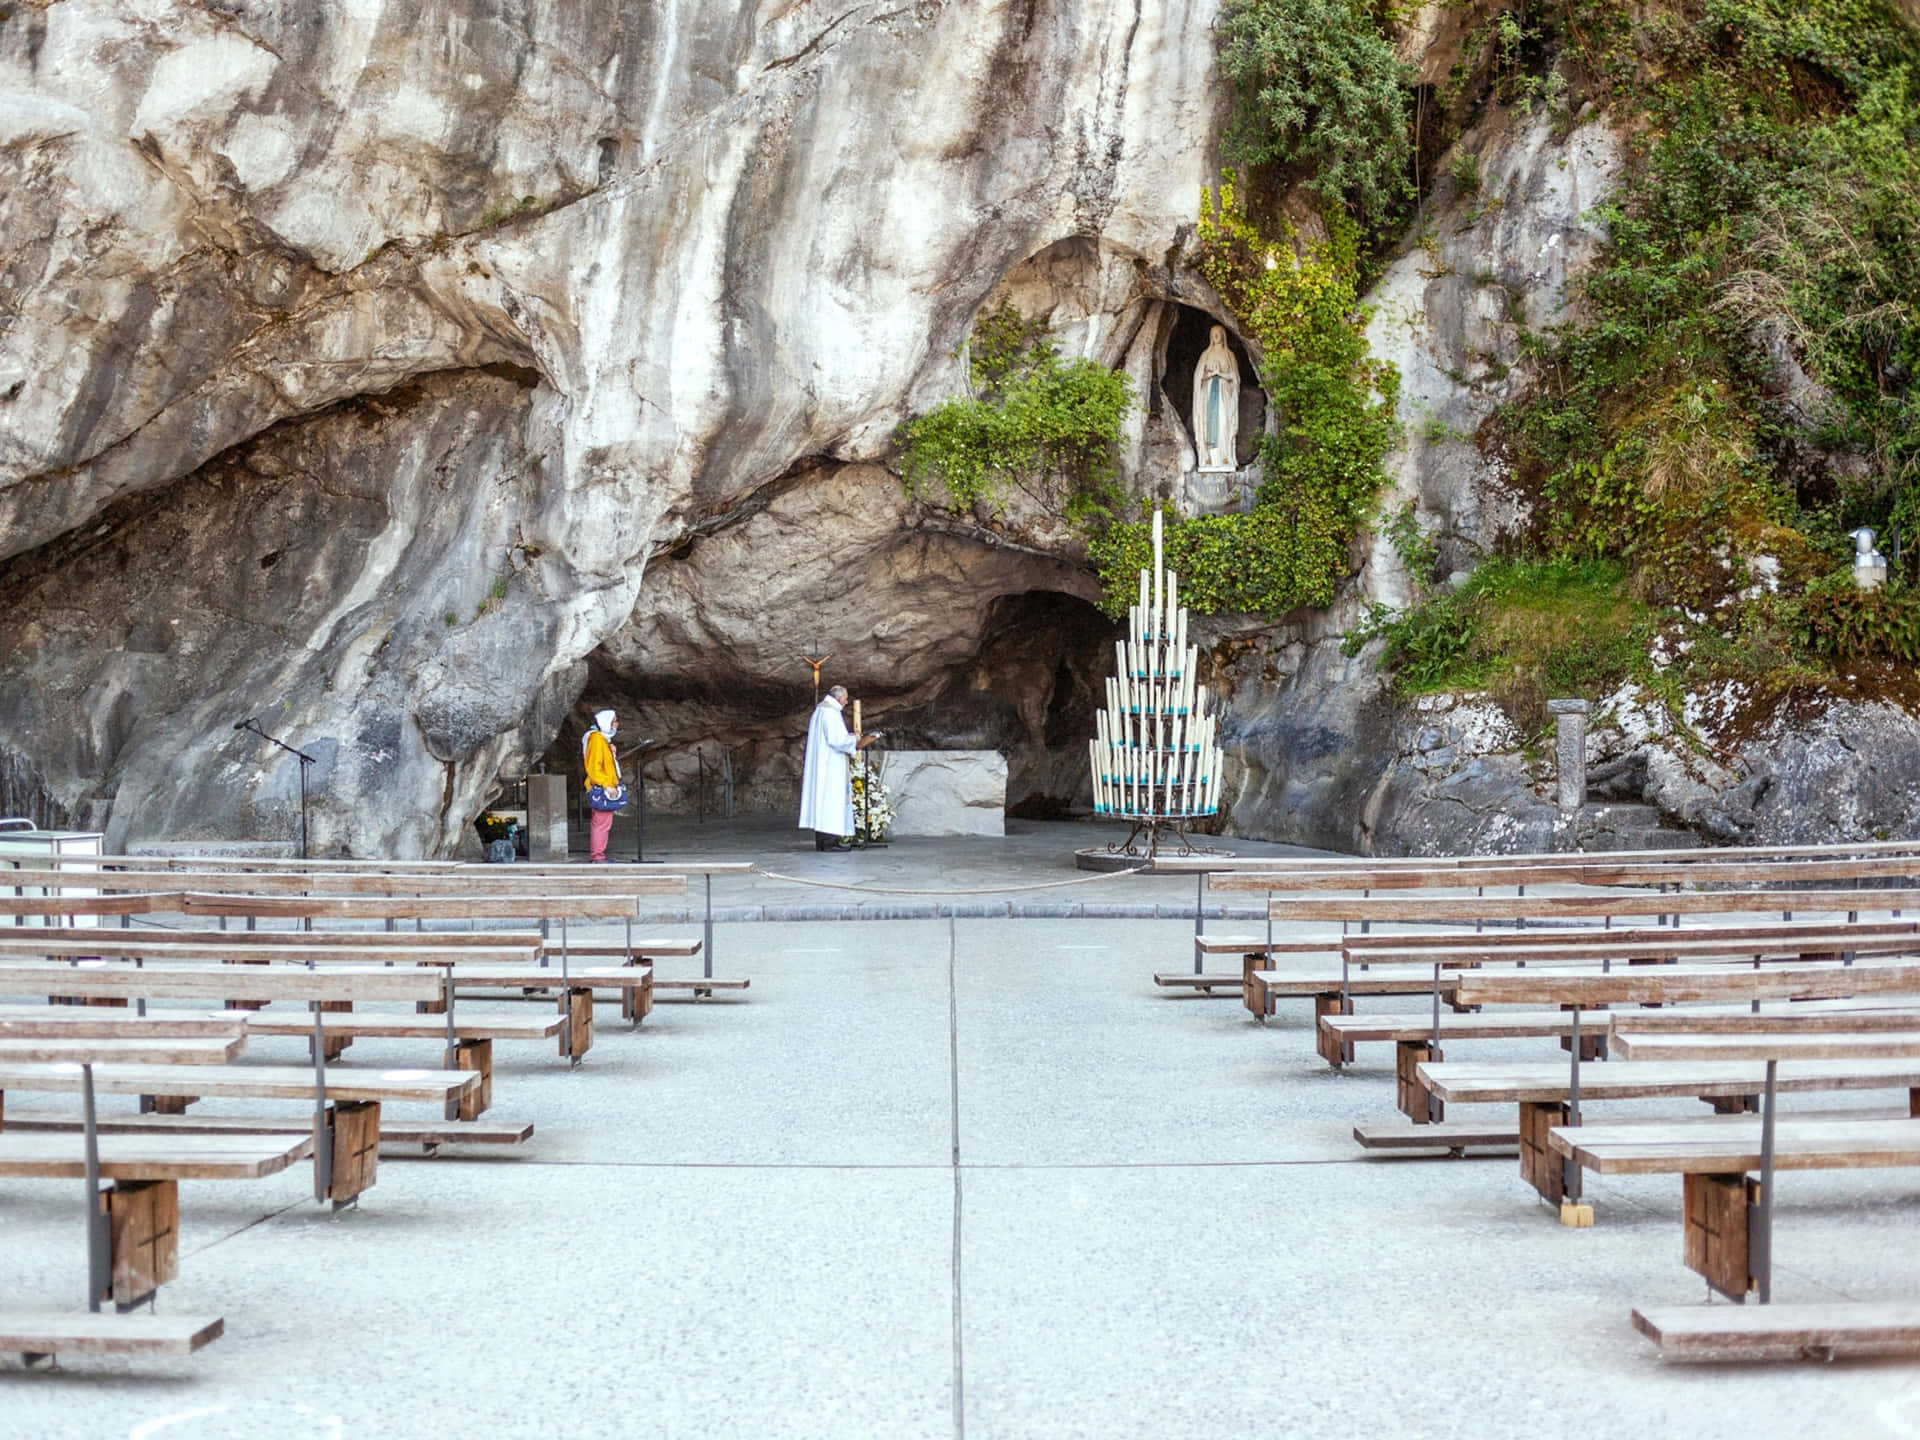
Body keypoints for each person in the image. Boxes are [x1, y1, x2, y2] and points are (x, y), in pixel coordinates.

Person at [798, 684, 877, 851]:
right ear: (839, 698)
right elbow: (837, 741)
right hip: (830, 766)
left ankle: (824, 841)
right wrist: (854, 739)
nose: (847, 702)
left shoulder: (821, 711)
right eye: (845, 698)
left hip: (824, 763)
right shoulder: (830, 713)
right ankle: (829, 843)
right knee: (830, 802)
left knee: (824, 802)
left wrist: (847, 738)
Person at [582, 708, 623, 863]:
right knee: (601, 823)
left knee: (602, 822)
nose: (617, 724)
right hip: (600, 787)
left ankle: (598, 856)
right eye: (615, 721)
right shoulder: (597, 740)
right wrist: (606, 785)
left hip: (602, 785)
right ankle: (598, 857)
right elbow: (594, 767)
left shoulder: (602, 740)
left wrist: (611, 751)